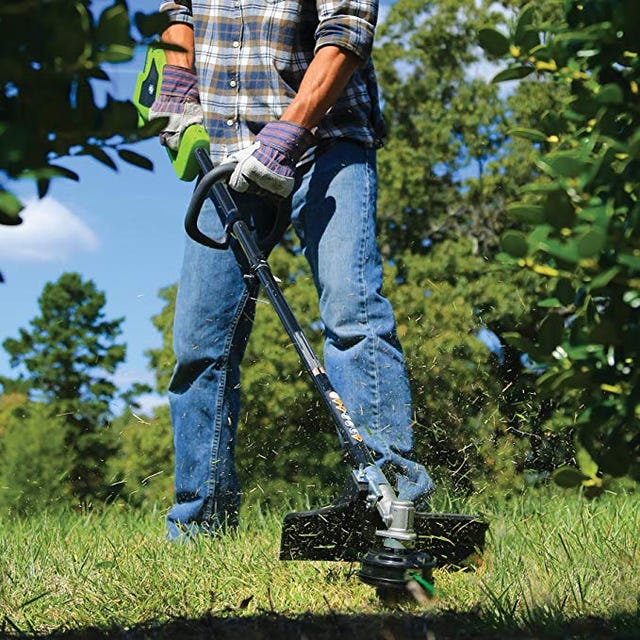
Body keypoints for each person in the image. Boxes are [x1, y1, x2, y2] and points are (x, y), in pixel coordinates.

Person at [151, 0, 433, 540]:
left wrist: (290, 128)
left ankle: (390, 499)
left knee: (353, 309)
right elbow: (177, 11)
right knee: (199, 346)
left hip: (323, 141)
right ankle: (198, 526)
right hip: (227, 154)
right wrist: (179, 76)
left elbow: (348, 27)